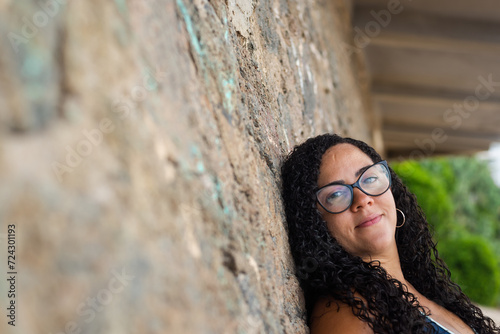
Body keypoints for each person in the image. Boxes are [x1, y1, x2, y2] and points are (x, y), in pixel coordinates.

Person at [281, 133, 499, 334]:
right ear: (315, 224)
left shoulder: (426, 292)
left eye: (369, 179)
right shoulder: (346, 312)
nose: (363, 199)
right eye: (336, 194)